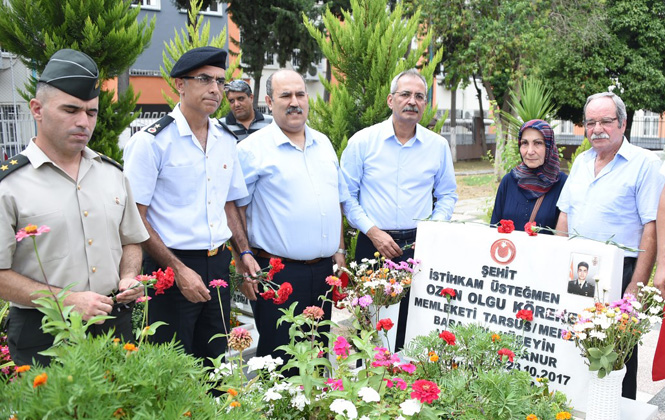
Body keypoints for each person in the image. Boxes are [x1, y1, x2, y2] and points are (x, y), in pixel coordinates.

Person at [0, 49, 149, 366]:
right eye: (70, 110)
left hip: (113, 324)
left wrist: (128, 275)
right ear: (37, 109)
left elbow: (131, 240)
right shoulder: (8, 185)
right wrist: (66, 300)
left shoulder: (113, 174)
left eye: (91, 112)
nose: (84, 122)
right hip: (45, 331)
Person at [123, 47, 259, 362]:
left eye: (221, 81)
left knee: (214, 361)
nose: (215, 89)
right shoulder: (152, 142)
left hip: (217, 267)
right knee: (171, 367)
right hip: (169, 269)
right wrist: (178, 270)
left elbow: (229, 206)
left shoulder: (226, 140)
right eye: (204, 79)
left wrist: (244, 254)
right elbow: (134, 219)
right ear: (180, 85)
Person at [556, 91, 665, 399]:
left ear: (623, 123)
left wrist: (635, 286)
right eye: (590, 122)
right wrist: (554, 263)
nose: (597, 129)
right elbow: (565, 216)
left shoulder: (645, 163)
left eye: (605, 120)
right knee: (575, 346)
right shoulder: (581, 162)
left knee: (615, 357)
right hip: (577, 270)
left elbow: (651, 227)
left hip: (619, 274)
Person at [236, 69, 348, 365]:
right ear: (269, 102)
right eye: (286, 95)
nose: (295, 102)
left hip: (322, 272)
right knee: (280, 360)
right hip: (277, 275)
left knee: (317, 355)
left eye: (300, 94)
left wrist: (339, 249)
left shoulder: (323, 143)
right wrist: (242, 259)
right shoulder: (251, 150)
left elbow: (334, 201)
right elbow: (235, 209)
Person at [340, 68, 457, 352]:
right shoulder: (363, 142)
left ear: (425, 105)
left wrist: (431, 230)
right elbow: (346, 196)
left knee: (411, 321)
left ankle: (404, 382)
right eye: (405, 94)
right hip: (373, 245)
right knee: (371, 325)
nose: (412, 101)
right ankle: (369, 384)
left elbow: (447, 195)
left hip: (418, 245)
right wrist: (373, 232)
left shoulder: (437, 146)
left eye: (419, 96)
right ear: (390, 100)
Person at [491, 119, 567, 231]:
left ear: (549, 146)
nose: (530, 151)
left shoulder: (562, 184)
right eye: (525, 143)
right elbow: (494, 227)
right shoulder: (509, 181)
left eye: (538, 143)